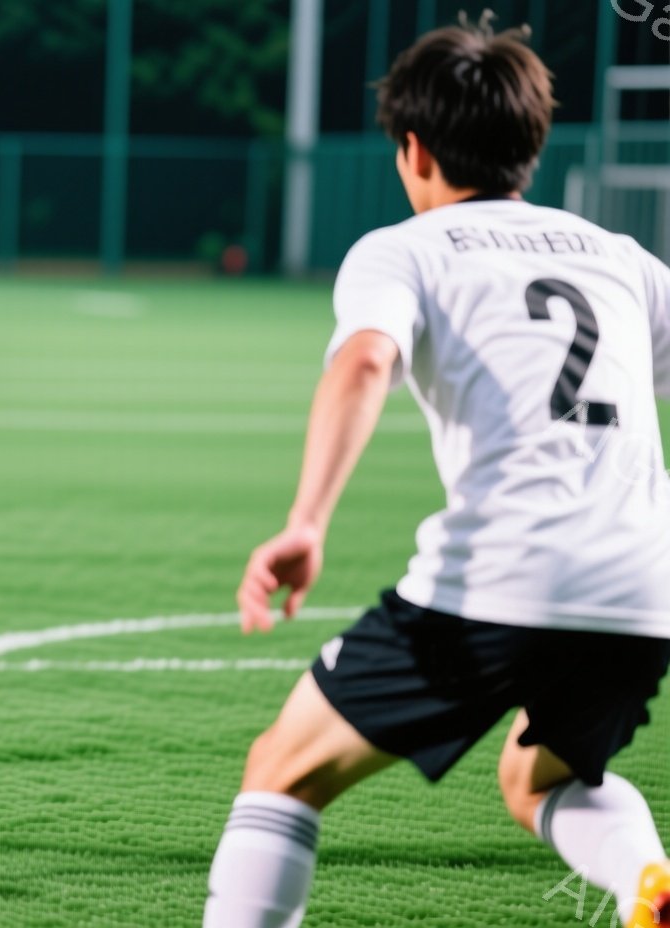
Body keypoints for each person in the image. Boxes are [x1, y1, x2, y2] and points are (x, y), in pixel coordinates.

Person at [203, 17, 670, 927]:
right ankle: (649, 884)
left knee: (282, 773)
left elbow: (364, 364)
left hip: (502, 576)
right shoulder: (618, 257)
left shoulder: (404, 250)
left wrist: (307, 521)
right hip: (643, 588)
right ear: (530, 144)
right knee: (541, 776)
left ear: (413, 148)